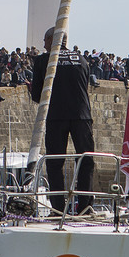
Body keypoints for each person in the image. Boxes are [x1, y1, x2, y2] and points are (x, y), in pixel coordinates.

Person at [29, 26, 95, 211]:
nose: (43, 44)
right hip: (82, 116)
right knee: (85, 160)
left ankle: (58, 208)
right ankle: (86, 206)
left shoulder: (44, 61)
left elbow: (37, 95)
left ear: (52, 40)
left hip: (56, 116)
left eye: (45, 40)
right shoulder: (82, 59)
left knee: (55, 162)